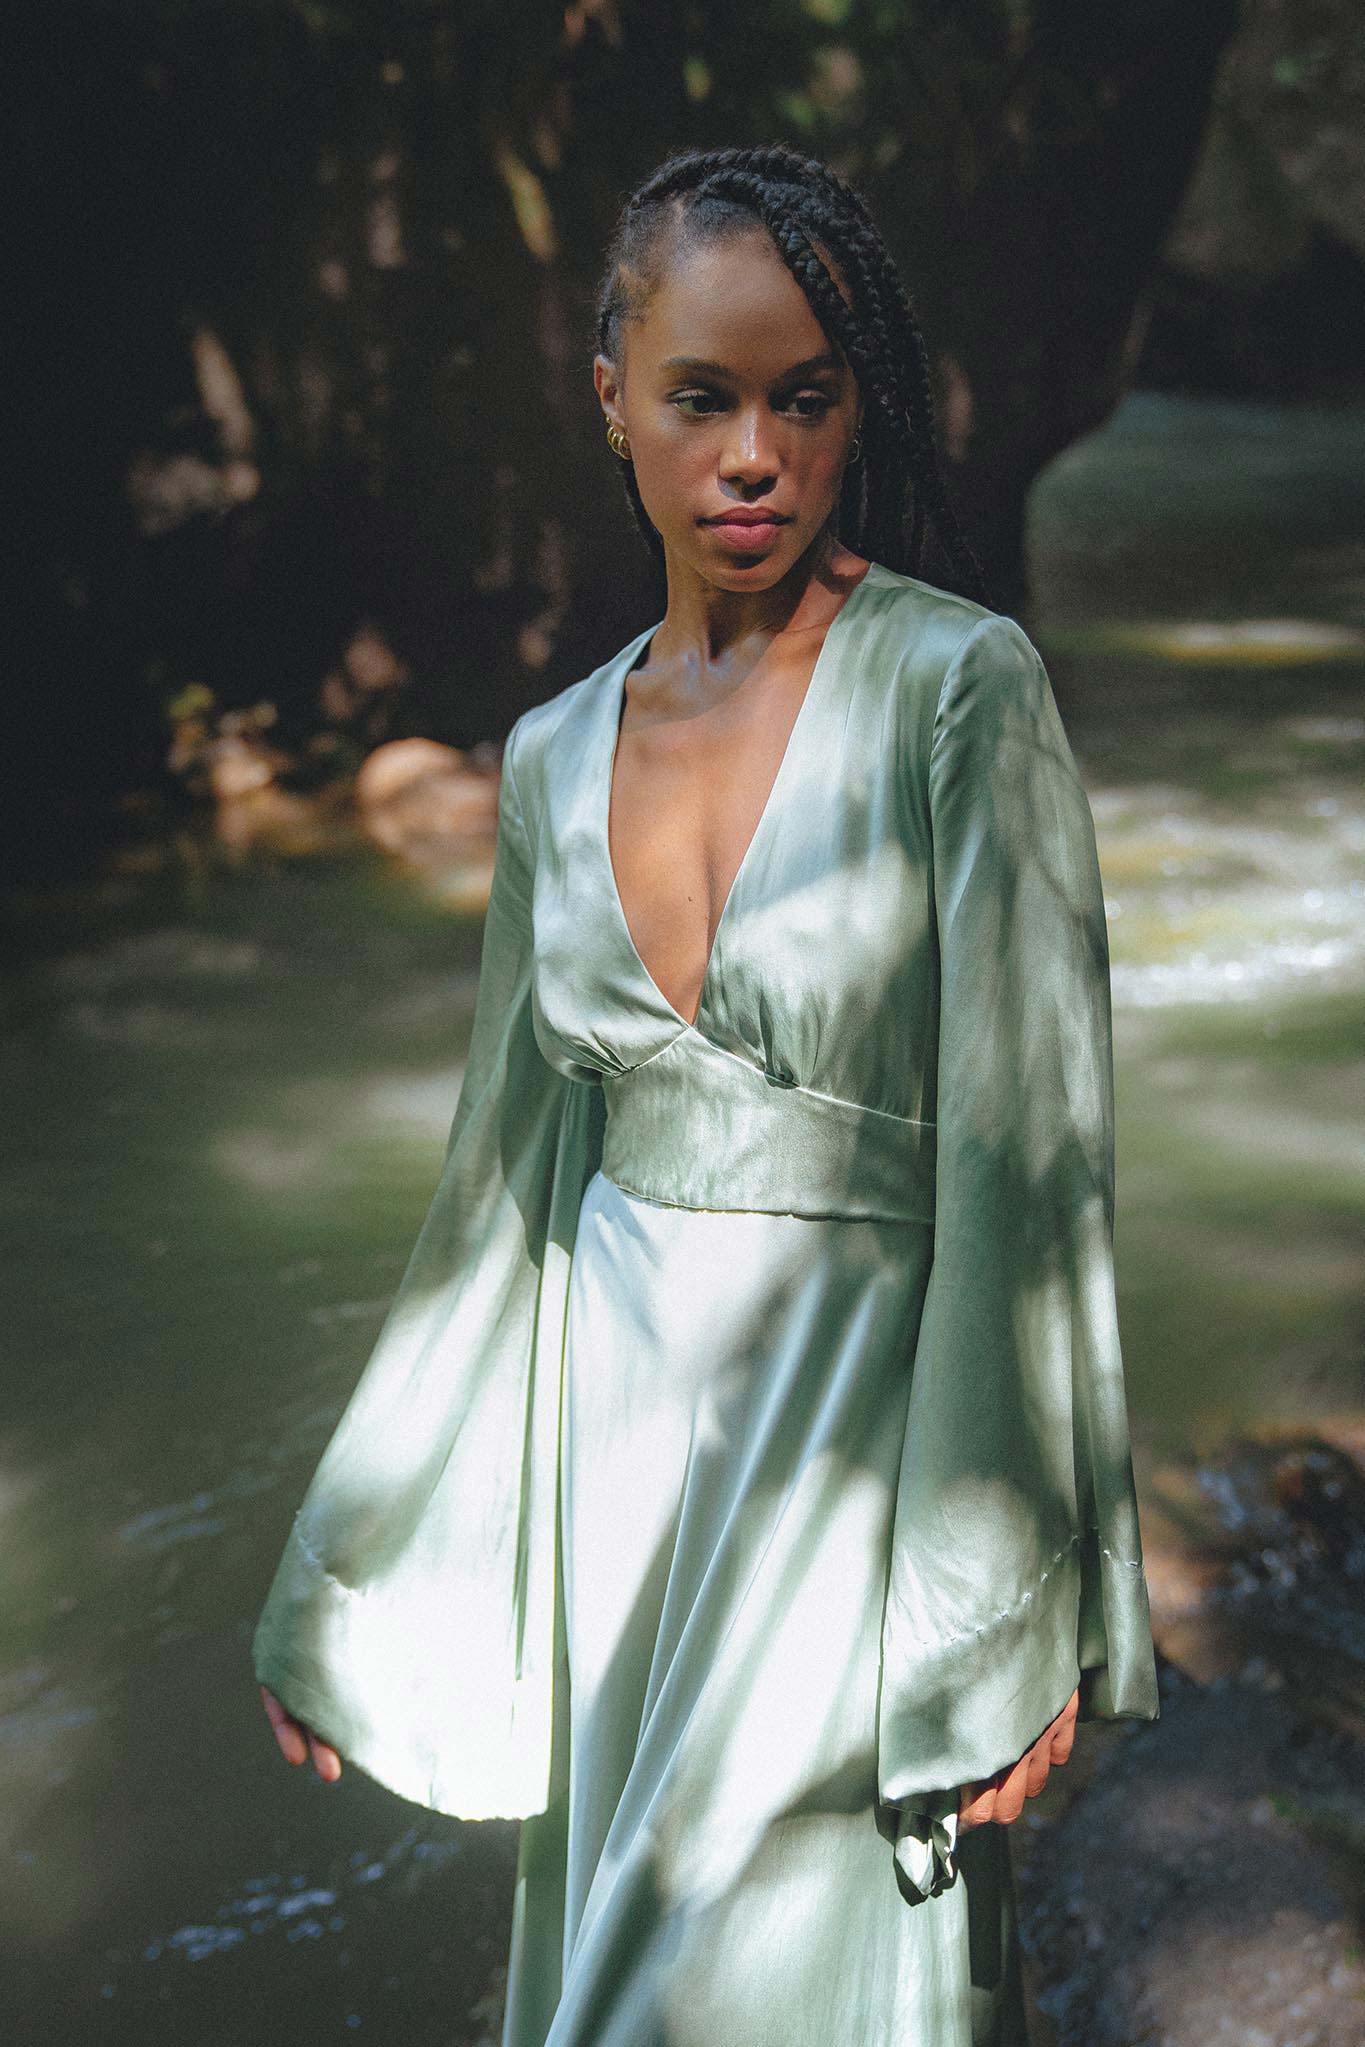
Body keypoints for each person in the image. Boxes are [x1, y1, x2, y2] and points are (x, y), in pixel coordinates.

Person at [253, 143, 1160, 2045]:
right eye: (700, 396)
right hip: (612, 1483)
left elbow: (1032, 1161)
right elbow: (499, 1187)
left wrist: (1020, 1597)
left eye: (802, 397)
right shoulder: (545, 755)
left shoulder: (957, 694)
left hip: (856, 1484)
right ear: (611, 405)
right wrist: (355, 1554)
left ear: (854, 412)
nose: (751, 452)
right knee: (610, 1975)